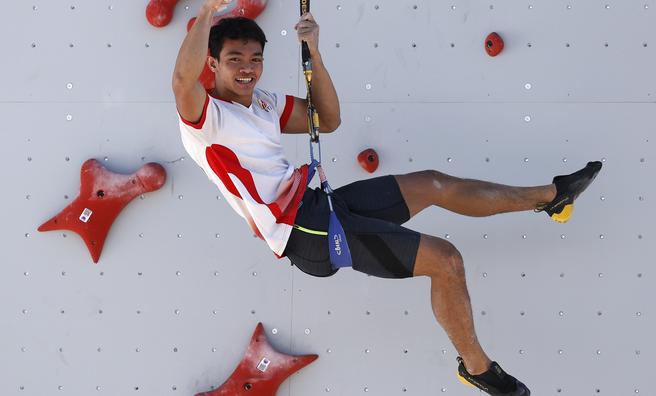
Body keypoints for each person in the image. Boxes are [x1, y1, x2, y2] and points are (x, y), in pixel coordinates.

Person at [172, 1, 602, 395]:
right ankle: (478, 368)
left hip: (324, 206)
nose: (247, 69)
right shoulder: (206, 119)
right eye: (234, 60)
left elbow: (329, 118)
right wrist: (210, 9)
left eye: (255, 59)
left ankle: (552, 197)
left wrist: (315, 53)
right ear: (213, 63)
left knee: (434, 183)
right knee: (446, 260)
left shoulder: (262, 102)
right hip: (305, 232)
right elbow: (181, 80)